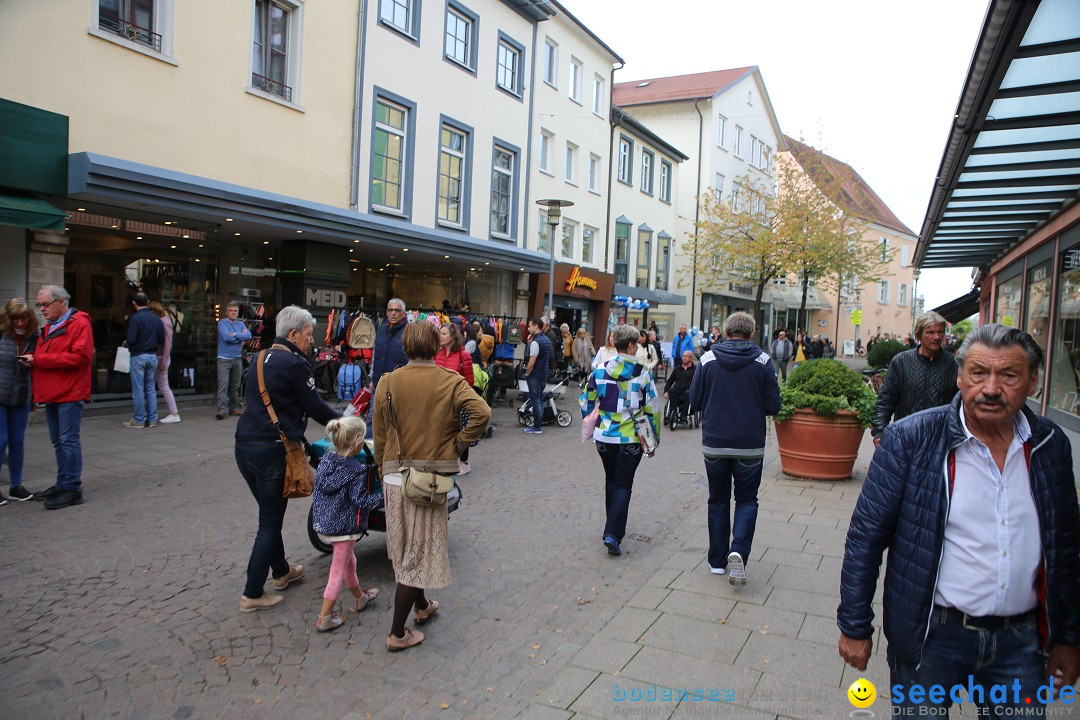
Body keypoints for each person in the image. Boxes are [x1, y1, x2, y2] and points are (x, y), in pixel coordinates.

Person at [838, 324, 1080, 716]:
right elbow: (865, 537)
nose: (990, 388)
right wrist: (854, 625)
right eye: (979, 373)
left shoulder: (1051, 446)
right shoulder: (910, 439)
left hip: (1021, 641)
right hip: (931, 636)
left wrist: (1068, 637)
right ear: (960, 375)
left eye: (1009, 375)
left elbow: (1065, 547)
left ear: (1032, 382)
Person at [372, 321, 490, 651]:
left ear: (405, 347)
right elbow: (481, 412)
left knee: (408, 547)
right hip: (428, 478)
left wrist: (384, 465)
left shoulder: (388, 381)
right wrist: (455, 445)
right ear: (436, 348)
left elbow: (379, 430)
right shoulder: (448, 380)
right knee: (417, 553)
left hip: (395, 475)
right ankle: (397, 633)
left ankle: (421, 607)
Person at [234, 306, 340, 612]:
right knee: (268, 522)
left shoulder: (259, 357)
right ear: (293, 334)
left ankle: (280, 572)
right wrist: (344, 424)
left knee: (269, 513)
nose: (311, 341)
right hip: (271, 450)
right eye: (308, 335)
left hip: (244, 447)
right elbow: (316, 406)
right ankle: (253, 593)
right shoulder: (294, 363)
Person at [688, 312, 780, 585]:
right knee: (747, 500)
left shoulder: (707, 360)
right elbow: (774, 405)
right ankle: (738, 549)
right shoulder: (763, 362)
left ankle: (717, 561)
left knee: (717, 500)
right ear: (752, 334)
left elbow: (694, 401)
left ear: (725, 333)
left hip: (715, 443)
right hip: (750, 445)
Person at [580, 324, 659, 557]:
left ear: (614, 343)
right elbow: (653, 409)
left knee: (611, 480)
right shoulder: (642, 373)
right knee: (624, 483)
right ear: (633, 345)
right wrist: (654, 437)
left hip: (604, 437)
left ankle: (611, 527)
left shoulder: (600, 371)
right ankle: (613, 533)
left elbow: (586, 401)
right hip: (630, 438)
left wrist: (593, 420)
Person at [310, 415, 382, 633]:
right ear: (358, 440)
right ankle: (324, 617)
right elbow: (361, 501)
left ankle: (360, 597)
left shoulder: (325, 462)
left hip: (326, 524)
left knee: (350, 561)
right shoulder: (356, 470)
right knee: (337, 571)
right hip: (345, 528)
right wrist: (385, 497)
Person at [24, 286, 93, 510]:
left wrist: (38, 360)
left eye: (45, 304)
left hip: (69, 392)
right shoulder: (53, 325)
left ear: (61, 302)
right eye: (39, 305)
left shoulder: (79, 323)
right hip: (55, 391)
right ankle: (63, 483)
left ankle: (72, 488)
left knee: (68, 440)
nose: (42, 309)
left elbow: (79, 356)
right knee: (59, 441)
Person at [871, 311, 957, 447]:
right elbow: (886, 399)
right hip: (905, 437)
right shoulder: (902, 362)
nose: (936, 337)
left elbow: (960, 404)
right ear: (918, 335)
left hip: (939, 441)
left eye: (940, 332)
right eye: (930, 332)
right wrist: (879, 432)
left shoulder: (953, 364)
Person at [0, 299, 39, 503]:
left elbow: (40, 365)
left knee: (17, 441)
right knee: (1, 440)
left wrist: (33, 362)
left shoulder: (34, 337)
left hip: (22, 395)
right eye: (16, 319)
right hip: (0, 395)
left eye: (24, 318)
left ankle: (17, 486)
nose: (21, 323)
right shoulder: (2, 334)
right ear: (9, 319)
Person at [434, 323, 474, 474]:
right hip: (439, 399)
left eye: (443, 334)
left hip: (457, 400)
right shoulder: (436, 353)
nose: (440, 336)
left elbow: (469, 381)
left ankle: (464, 462)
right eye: (440, 333)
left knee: (460, 432)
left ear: (453, 336)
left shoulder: (464, 355)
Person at [123, 292, 165, 429]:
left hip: (138, 355)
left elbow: (132, 339)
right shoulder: (156, 319)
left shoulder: (135, 319)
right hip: (152, 355)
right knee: (151, 388)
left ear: (134, 303)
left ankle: (139, 419)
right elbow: (161, 339)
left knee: (138, 389)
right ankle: (152, 419)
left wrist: (130, 343)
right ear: (148, 302)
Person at [216, 301, 251, 420]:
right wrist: (240, 335)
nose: (233, 313)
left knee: (235, 385)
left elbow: (249, 336)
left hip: (237, 358)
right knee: (223, 385)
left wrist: (234, 334)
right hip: (224, 358)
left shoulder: (240, 323)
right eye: (231, 311)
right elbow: (226, 337)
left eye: (235, 311)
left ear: (238, 312)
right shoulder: (222, 323)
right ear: (227, 312)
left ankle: (233, 408)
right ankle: (222, 409)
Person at [149, 301, 180, 424]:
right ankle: (172, 413)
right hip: (161, 357)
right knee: (161, 385)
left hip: (161, 357)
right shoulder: (164, 321)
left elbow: (167, 344)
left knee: (156, 385)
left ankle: (172, 413)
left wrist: (164, 360)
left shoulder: (163, 322)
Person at [371, 298, 408, 392]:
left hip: (398, 387)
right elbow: (375, 356)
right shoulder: (381, 329)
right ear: (387, 313)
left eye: (397, 310)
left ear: (403, 314)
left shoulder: (409, 332)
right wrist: (372, 380)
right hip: (378, 384)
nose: (393, 313)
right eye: (390, 310)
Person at [523, 318, 552, 435]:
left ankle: (537, 426)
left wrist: (527, 373)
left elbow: (531, 362)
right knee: (539, 399)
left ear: (536, 327)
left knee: (536, 401)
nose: (528, 328)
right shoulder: (547, 340)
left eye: (530, 326)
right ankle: (538, 424)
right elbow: (549, 358)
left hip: (535, 374)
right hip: (544, 373)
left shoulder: (536, 342)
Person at [664, 350, 696, 425]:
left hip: (688, 390)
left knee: (688, 393)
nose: (684, 358)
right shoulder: (677, 368)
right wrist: (665, 391)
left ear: (691, 358)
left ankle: (684, 416)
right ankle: (673, 414)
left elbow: (699, 382)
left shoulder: (695, 369)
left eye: (686, 356)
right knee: (671, 391)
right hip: (678, 389)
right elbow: (670, 381)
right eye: (683, 356)